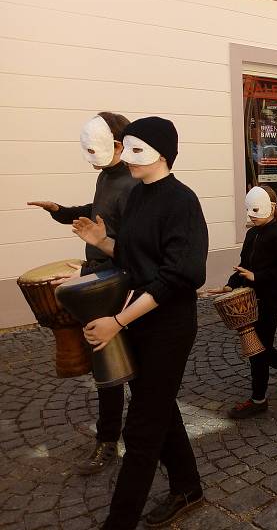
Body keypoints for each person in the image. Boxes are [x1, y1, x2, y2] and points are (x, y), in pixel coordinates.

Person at [72, 117, 208, 529]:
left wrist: (116, 320)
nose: (125, 157)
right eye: (124, 148)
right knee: (160, 409)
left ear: (162, 153)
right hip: (139, 322)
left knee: (144, 427)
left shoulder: (182, 201)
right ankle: (187, 487)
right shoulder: (137, 197)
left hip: (169, 325)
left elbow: (178, 275)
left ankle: (120, 521)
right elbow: (135, 259)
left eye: (135, 149)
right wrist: (102, 243)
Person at [28, 112, 138, 476]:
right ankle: (108, 438)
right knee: (104, 365)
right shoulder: (107, 177)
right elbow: (95, 212)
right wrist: (60, 212)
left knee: (130, 365)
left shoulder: (135, 185)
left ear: (119, 145)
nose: (90, 156)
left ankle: (144, 434)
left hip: (121, 283)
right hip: (99, 277)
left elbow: (135, 247)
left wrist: (105, 250)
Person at [204, 186, 277, 418]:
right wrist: (229, 285)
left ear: (272, 207)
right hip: (248, 299)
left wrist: (258, 277)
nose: (252, 215)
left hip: (270, 300)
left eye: (256, 210)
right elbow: (244, 266)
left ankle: (259, 399)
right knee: (258, 346)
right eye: (249, 211)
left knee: (258, 349)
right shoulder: (251, 234)